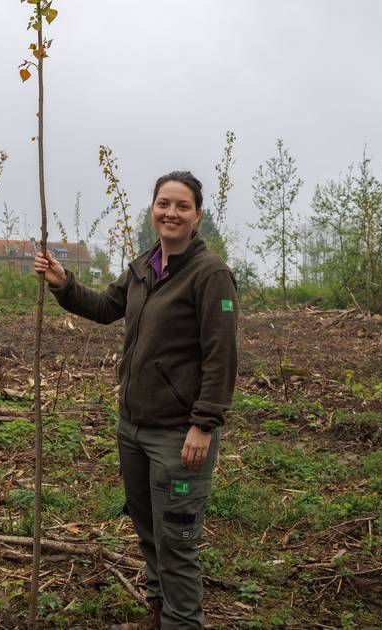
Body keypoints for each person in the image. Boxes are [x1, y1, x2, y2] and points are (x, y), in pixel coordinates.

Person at [34, 171, 238, 630]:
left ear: (197, 216)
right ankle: (159, 609)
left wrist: (204, 424)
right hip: (133, 428)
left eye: (182, 206)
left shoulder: (211, 275)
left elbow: (221, 357)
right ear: (153, 209)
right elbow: (107, 307)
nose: (171, 213)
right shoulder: (145, 264)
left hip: (177, 436)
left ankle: (183, 622)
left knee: (177, 540)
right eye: (164, 203)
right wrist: (63, 282)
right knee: (149, 531)